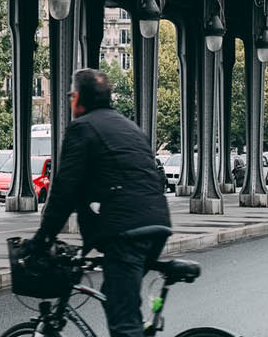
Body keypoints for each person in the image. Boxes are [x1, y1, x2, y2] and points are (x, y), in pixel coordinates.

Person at [29, 68, 172, 337]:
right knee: (117, 295)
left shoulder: (82, 128)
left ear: (80, 98)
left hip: (126, 232)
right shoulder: (129, 126)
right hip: (156, 225)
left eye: (72, 94)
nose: (71, 100)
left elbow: (64, 192)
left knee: (123, 322)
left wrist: (42, 240)